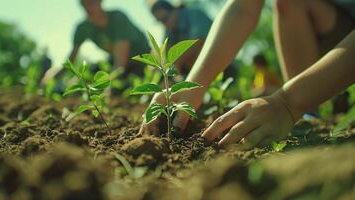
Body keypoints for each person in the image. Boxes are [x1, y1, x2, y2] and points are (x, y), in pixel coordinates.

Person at [139, 0, 355, 149]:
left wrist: (286, 103)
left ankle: (299, 104)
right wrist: (194, 83)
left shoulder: (190, 16)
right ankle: (309, 114)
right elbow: (243, 7)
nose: (164, 23)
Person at [42, 0, 150, 83]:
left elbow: (120, 66)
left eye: (92, 1)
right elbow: (70, 61)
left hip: (142, 63)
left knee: (127, 84)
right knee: (89, 75)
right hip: (115, 62)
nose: (89, 5)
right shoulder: (82, 28)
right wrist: (51, 78)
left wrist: (110, 85)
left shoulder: (117, 18)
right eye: (85, 2)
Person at [149, 0, 237, 77]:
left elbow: (200, 42)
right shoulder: (169, 31)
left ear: (175, 10)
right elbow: (162, 54)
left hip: (224, 66)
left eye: (165, 19)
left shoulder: (194, 15)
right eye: (159, 21)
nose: (164, 24)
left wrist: (177, 62)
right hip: (200, 73)